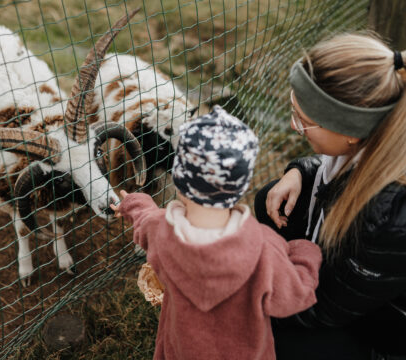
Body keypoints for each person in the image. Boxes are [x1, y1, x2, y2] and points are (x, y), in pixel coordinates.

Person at [254, 33, 406, 359]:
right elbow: (345, 165)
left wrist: (252, 301)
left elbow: (329, 307)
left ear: (350, 134)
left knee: (274, 339)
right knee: (270, 200)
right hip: (372, 279)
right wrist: (301, 171)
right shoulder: (397, 117)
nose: (293, 127)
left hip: (402, 327)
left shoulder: (400, 214)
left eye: (303, 121)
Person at [110, 105, 322, 360]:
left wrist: (135, 203)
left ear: (179, 181)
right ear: (241, 186)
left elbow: (145, 221)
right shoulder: (264, 247)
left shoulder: (161, 230)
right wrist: (305, 252)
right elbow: (295, 295)